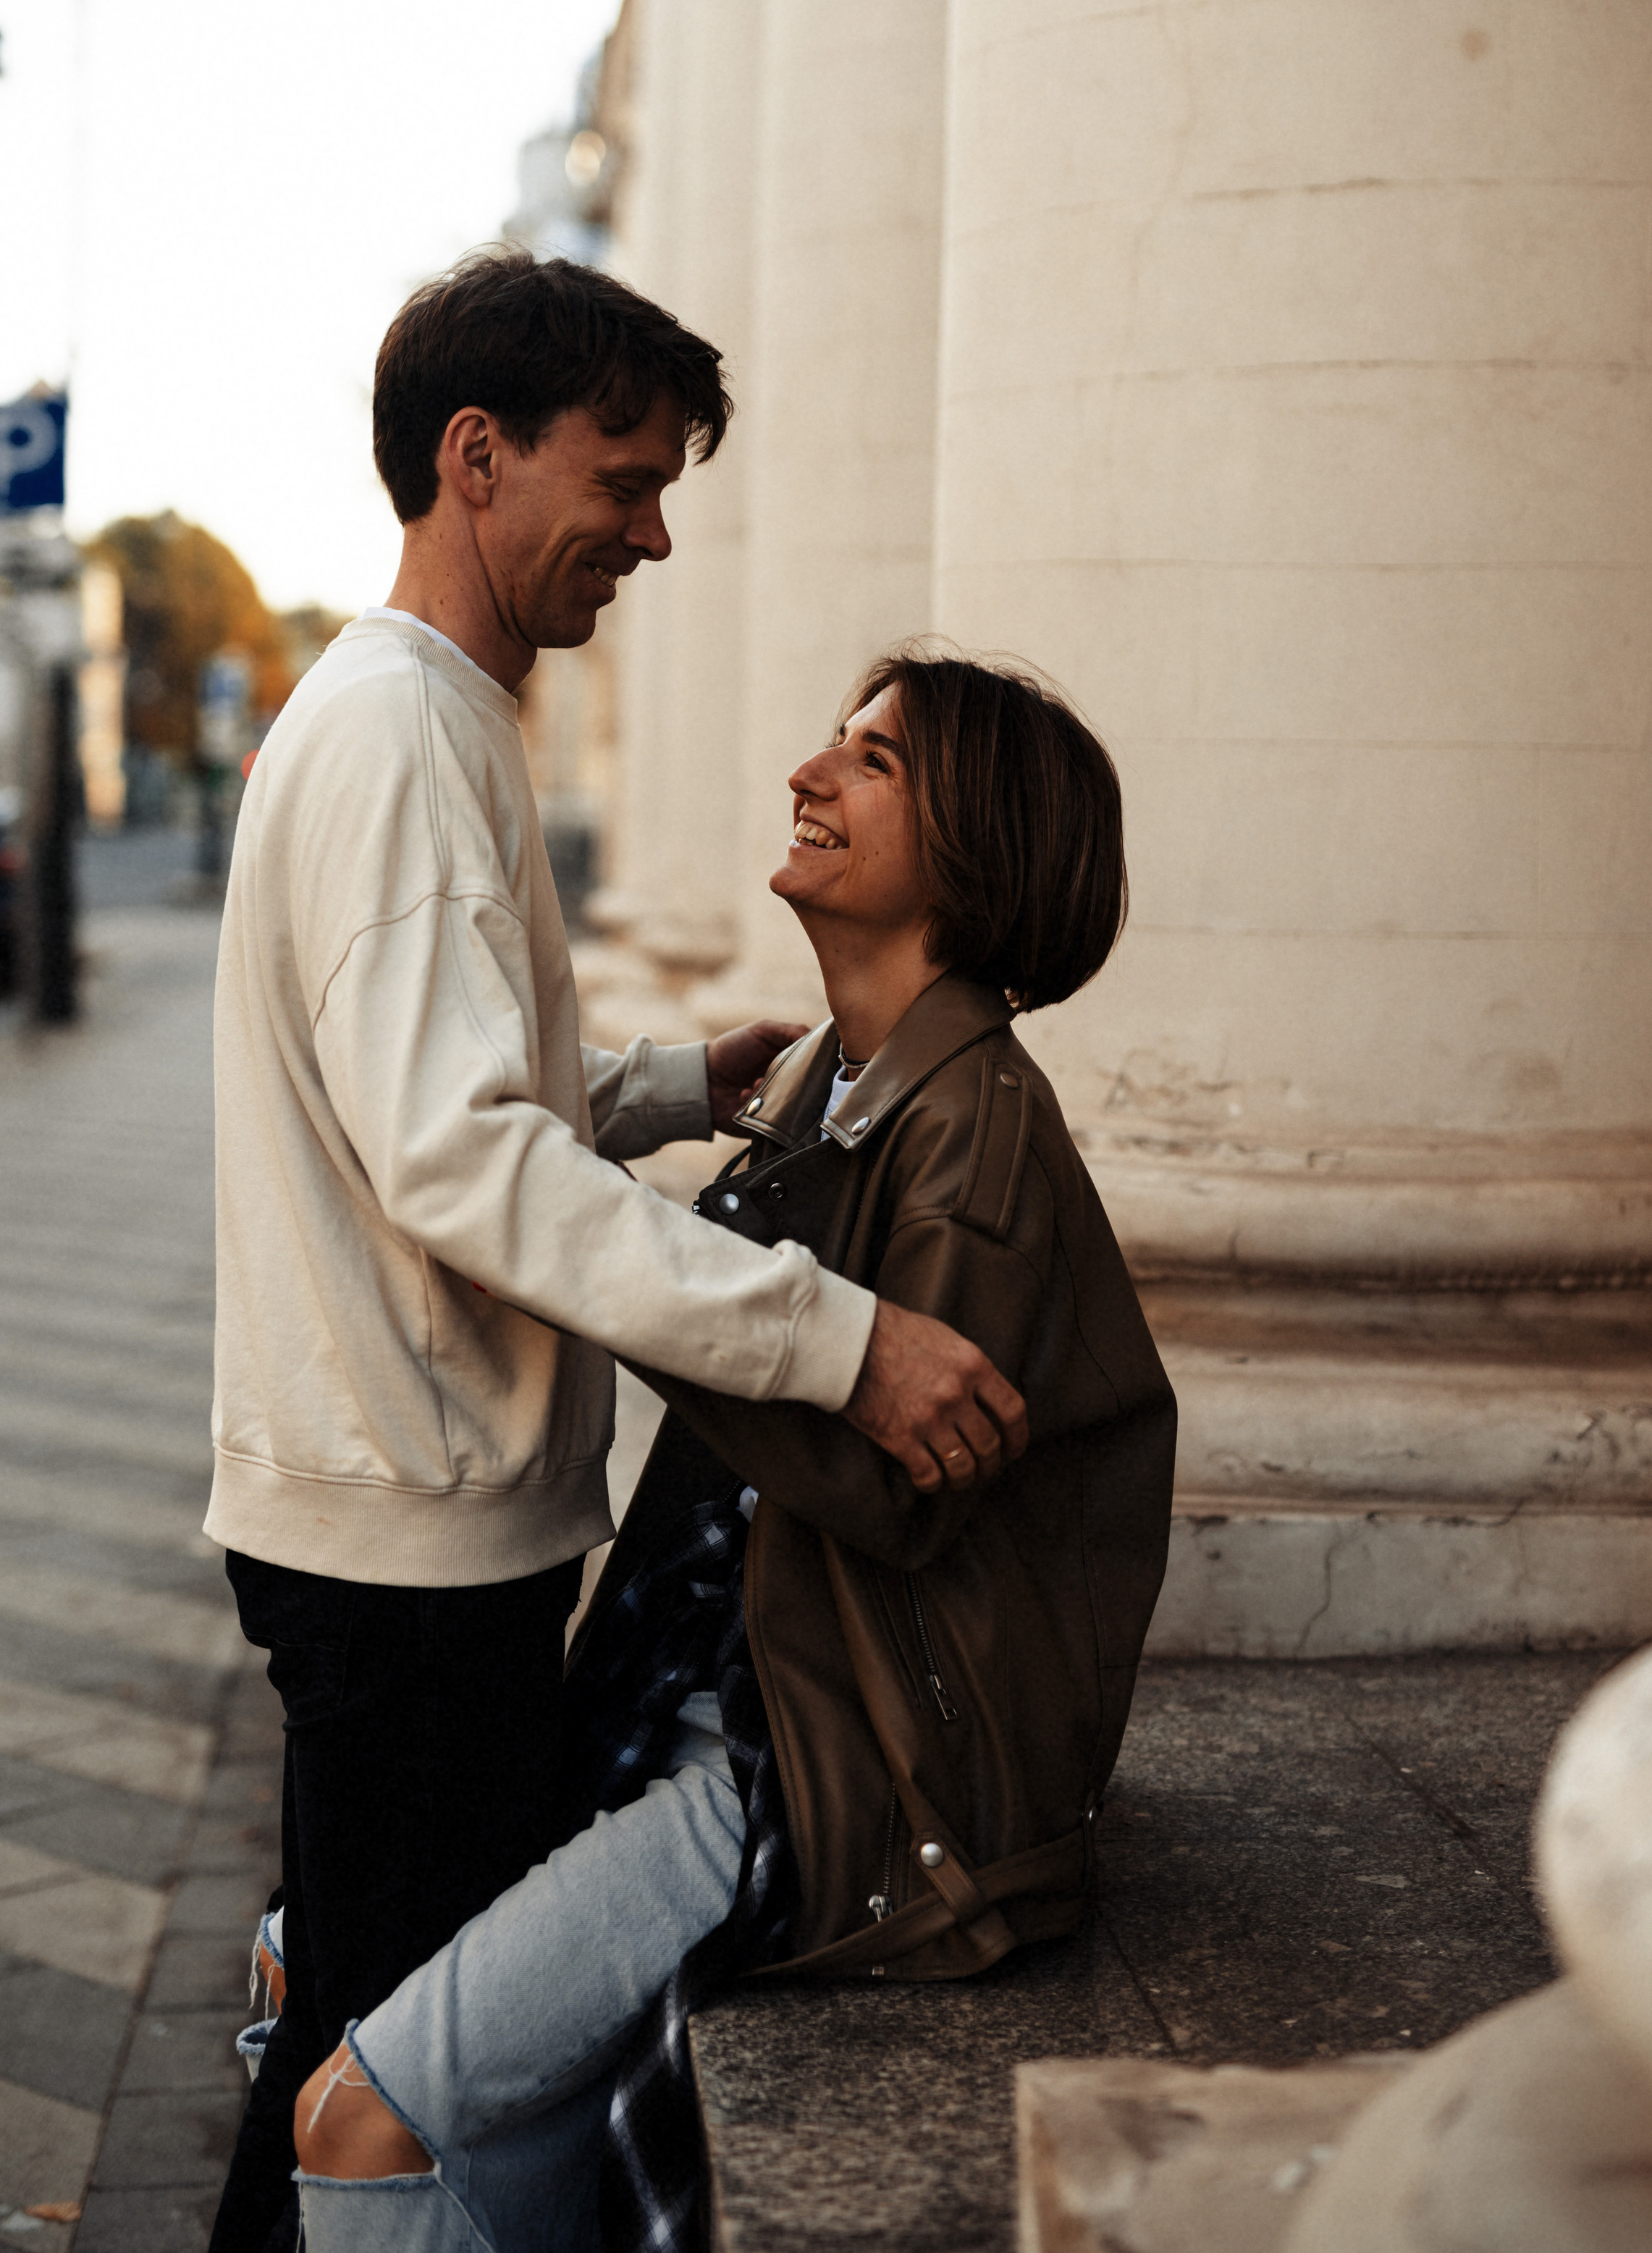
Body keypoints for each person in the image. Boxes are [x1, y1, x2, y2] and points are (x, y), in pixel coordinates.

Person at [204, 257, 1030, 2252]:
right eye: (626, 477)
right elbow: (464, 1164)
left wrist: (658, 1076)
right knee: (374, 2082)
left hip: (396, 1518)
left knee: (352, 2046)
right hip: (407, 1541)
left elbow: (440, 1083)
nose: (654, 532)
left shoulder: (417, 707)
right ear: (475, 458)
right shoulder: (407, 732)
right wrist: (842, 1344)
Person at [286, 648, 1178, 2253]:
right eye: (835, 743)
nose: (807, 774)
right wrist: (643, 1208)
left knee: (361, 2118)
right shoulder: (842, 1082)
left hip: (820, 1766)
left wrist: (600, 1259)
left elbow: (908, 1478)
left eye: (874, 764)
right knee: (312, 1961)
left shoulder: (971, 1127)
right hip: (725, 1701)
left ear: (972, 848)